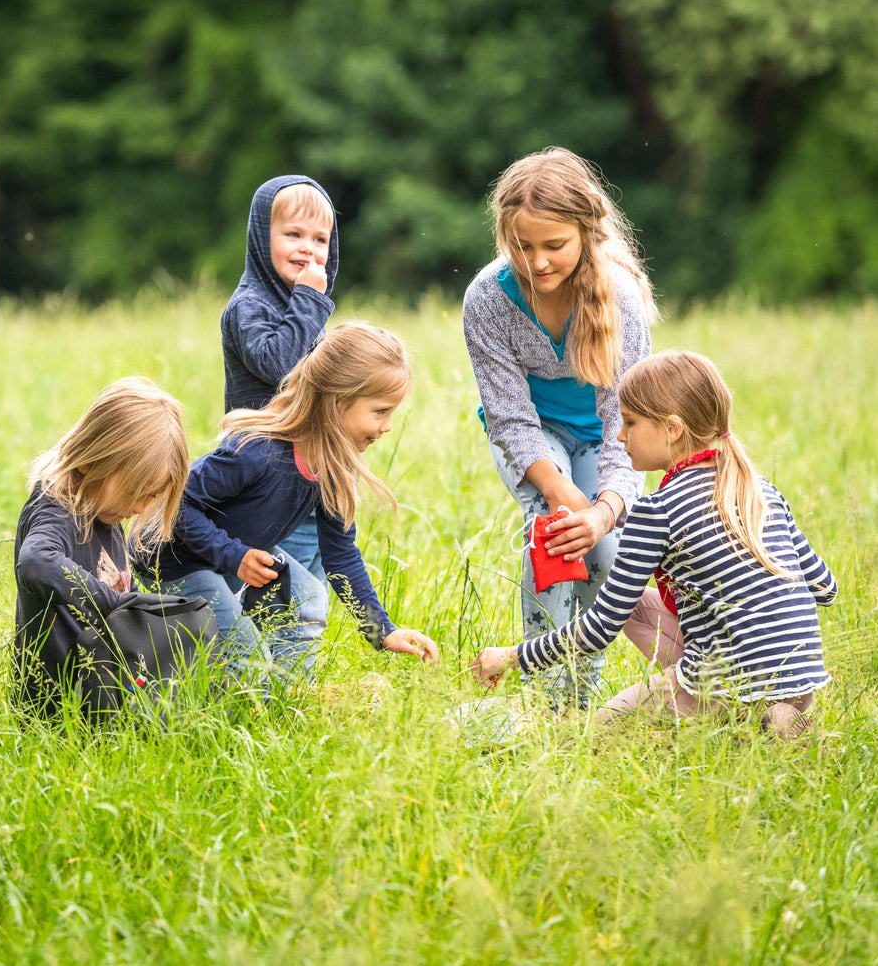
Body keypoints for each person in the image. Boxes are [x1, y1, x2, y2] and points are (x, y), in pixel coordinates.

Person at [470, 351, 836, 739]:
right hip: (802, 683)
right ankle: (771, 718)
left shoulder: (657, 510)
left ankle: (719, 706)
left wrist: (511, 658)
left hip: (722, 680)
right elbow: (825, 589)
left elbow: (599, 628)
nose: (619, 436)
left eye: (630, 422)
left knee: (591, 740)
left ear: (672, 430)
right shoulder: (763, 493)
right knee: (635, 606)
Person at [135, 321, 439, 679]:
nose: (387, 426)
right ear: (339, 403)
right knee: (246, 651)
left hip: (230, 557)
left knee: (308, 600)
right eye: (381, 411)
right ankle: (257, 707)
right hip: (173, 560)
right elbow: (173, 502)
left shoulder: (333, 465)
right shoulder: (257, 452)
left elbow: (340, 555)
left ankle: (288, 699)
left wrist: (381, 629)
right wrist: (235, 556)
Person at [463, 147, 657, 707]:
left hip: (606, 434)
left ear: (586, 234)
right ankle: (548, 693)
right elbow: (509, 414)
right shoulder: (487, 299)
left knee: (604, 553)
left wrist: (603, 510)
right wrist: (561, 490)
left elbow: (627, 416)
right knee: (552, 530)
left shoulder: (617, 298)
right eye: (522, 246)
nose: (538, 262)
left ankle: (580, 688)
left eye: (555, 246)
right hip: (532, 432)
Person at [12, 378, 190, 721]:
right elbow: (35, 561)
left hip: (103, 700)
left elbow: (117, 584)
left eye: (151, 496)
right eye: (135, 492)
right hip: (57, 713)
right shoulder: (58, 511)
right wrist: (119, 605)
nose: (140, 507)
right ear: (90, 463)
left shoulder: (105, 514)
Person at [221, 175, 340, 595]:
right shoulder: (248, 306)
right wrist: (309, 300)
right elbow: (279, 365)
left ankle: (293, 660)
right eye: (293, 234)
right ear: (260, 237)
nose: (307, 248)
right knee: (280, 592)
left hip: (309, 475)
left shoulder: (306, 307)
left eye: (320, 239)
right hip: (265, 478)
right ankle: (258, 657)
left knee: (312, 589)